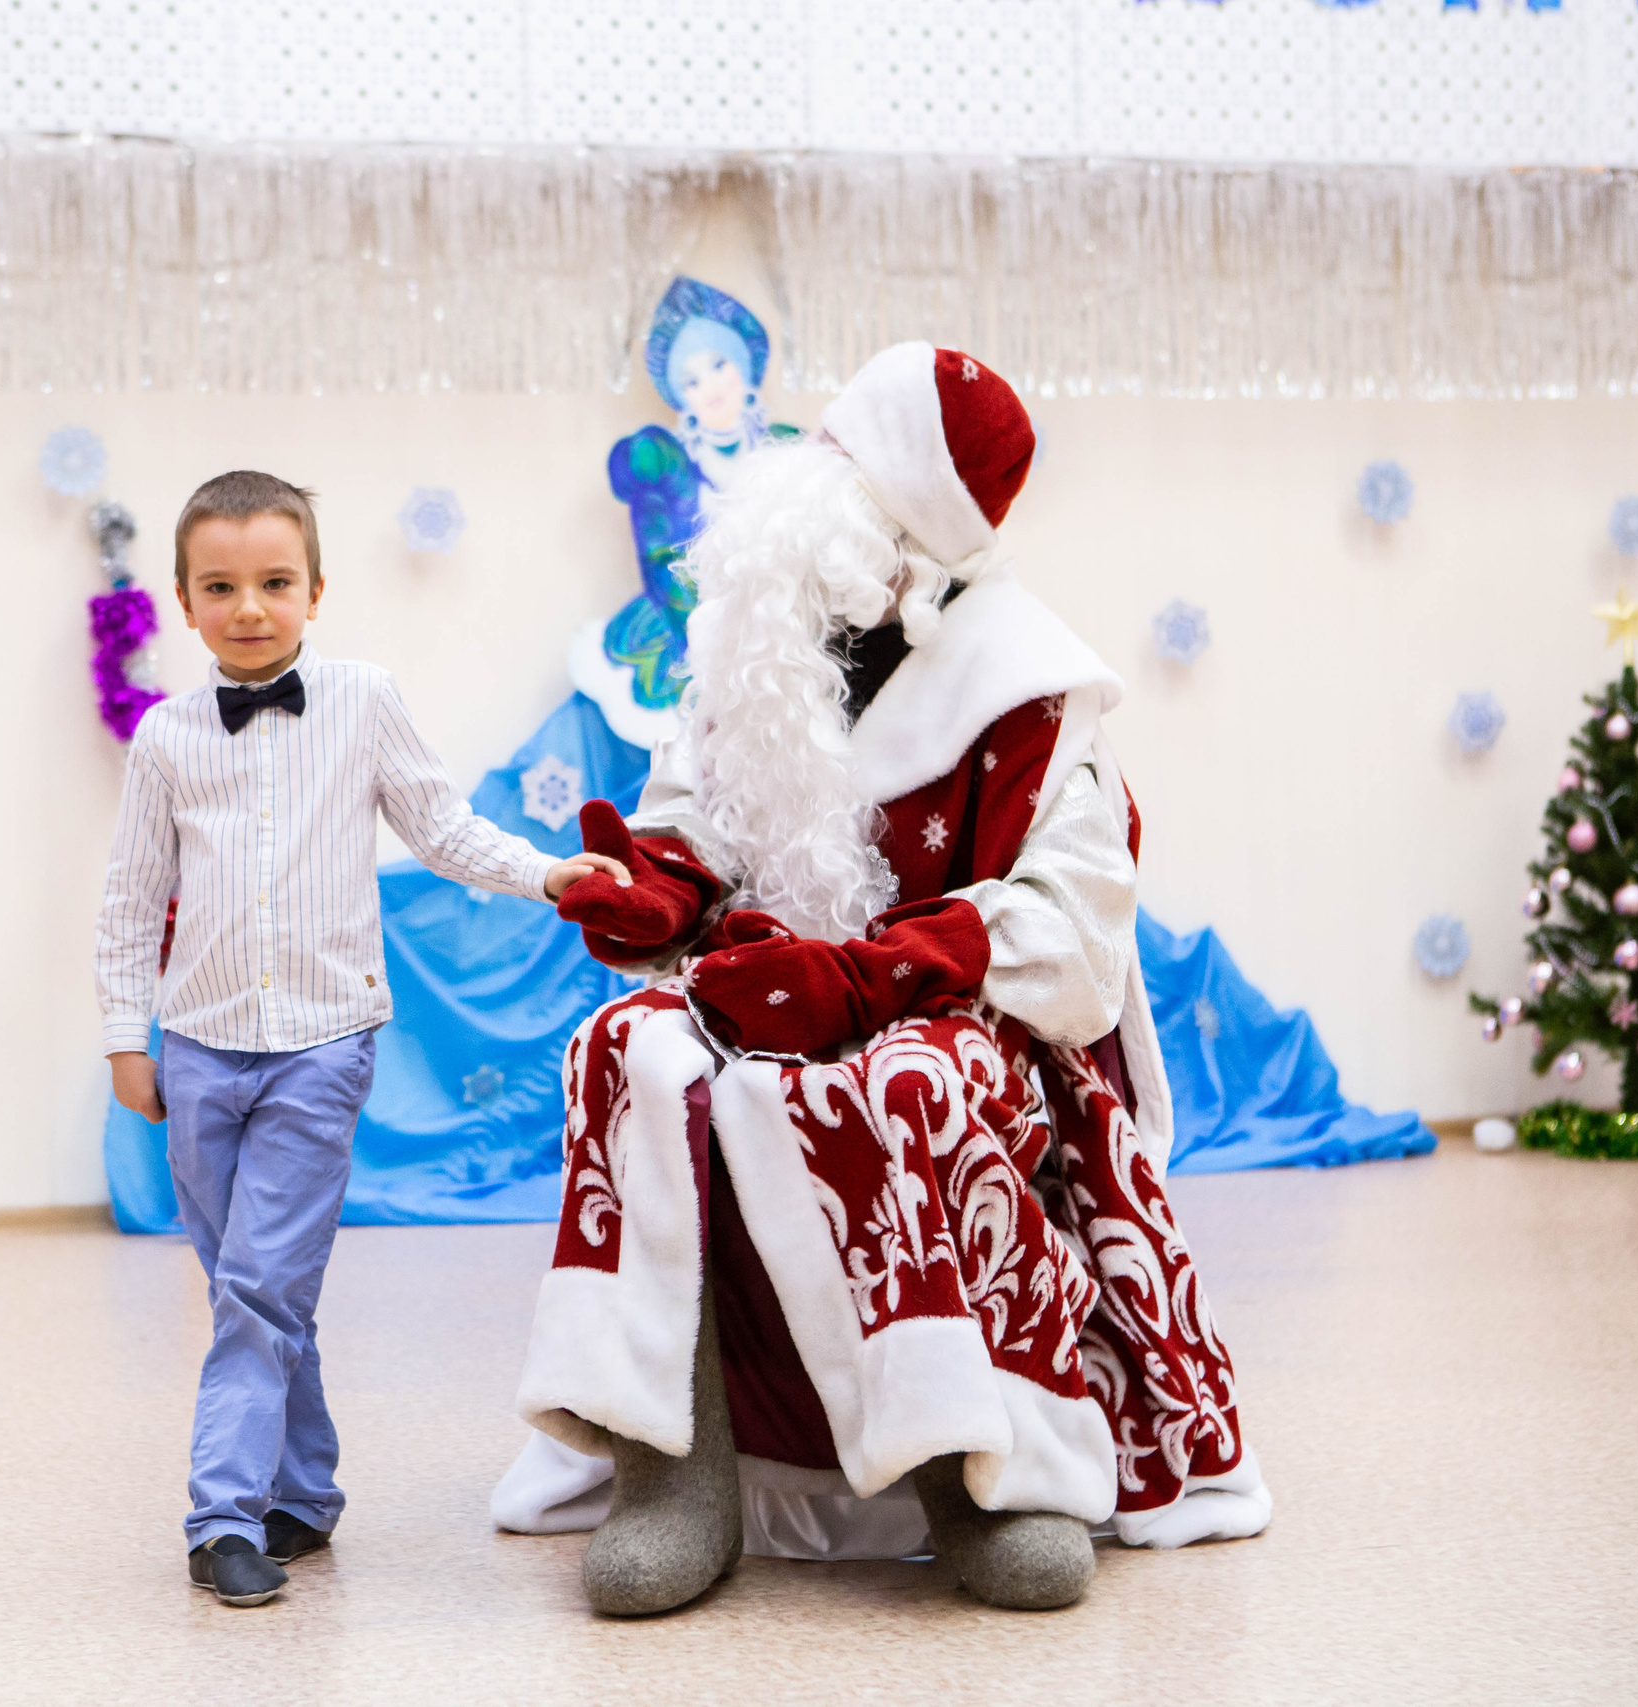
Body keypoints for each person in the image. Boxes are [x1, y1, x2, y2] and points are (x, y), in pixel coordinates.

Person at [507, 344, 1270, 1616]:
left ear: (903, 516)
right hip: (757, 997)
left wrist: (871, 980)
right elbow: (696, 815)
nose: (804, 484)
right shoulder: (763, 638)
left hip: (963, 1027)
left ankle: (973, 1481)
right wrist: (663, 885)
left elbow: (1073, 936)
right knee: (625, 1049)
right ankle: (673, 1470)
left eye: (844, 466)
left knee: (906, 1083)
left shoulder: (1031, 692)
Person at [96, 470, 627, 1607]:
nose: (250, 607)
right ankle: (308, 1492)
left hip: (322, 1045)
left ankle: (223, 1518)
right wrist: (121, 1039)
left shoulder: (364, 700)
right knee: (258, 1289)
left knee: (255, 1287)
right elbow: (132, 903)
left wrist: (548, 875)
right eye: (222, 586)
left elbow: (441, 828)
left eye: (275, 582)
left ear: (317, 590)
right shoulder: (165, 741)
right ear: (185, 603)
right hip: (194, 1047)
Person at [568, 276, 799, 751]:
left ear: (745, 365)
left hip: (780, 637)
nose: (710, 386)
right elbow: (661, 562)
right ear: (679, 395)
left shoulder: (791, 449)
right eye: (691, 380)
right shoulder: (664, 462)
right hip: (683, 638)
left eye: (718, 365)